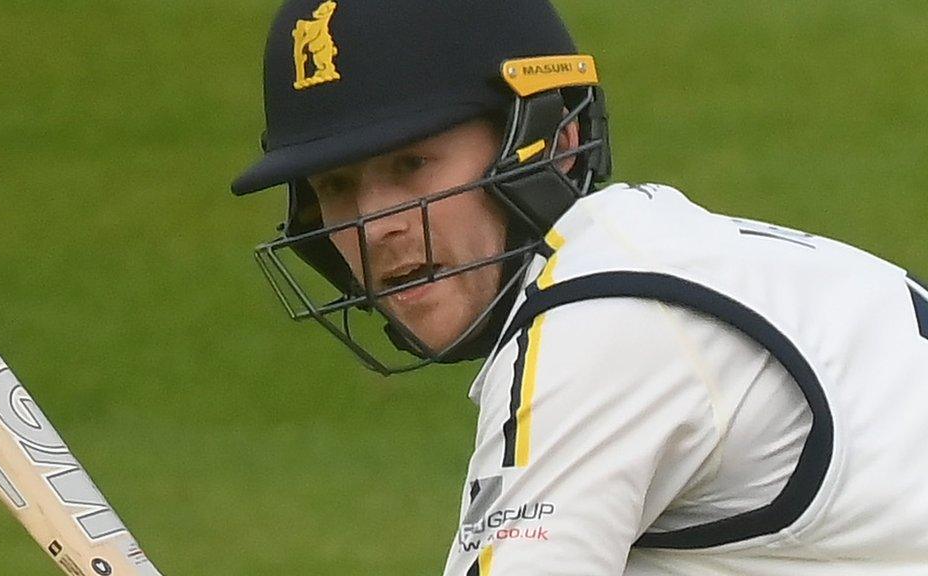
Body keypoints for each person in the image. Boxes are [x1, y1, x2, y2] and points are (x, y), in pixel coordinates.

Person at [231, 1, 928, 574]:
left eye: (412, 164)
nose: (372, 225)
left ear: (549, 140)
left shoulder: (601, 322)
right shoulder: (664, 258)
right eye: (336, 187)